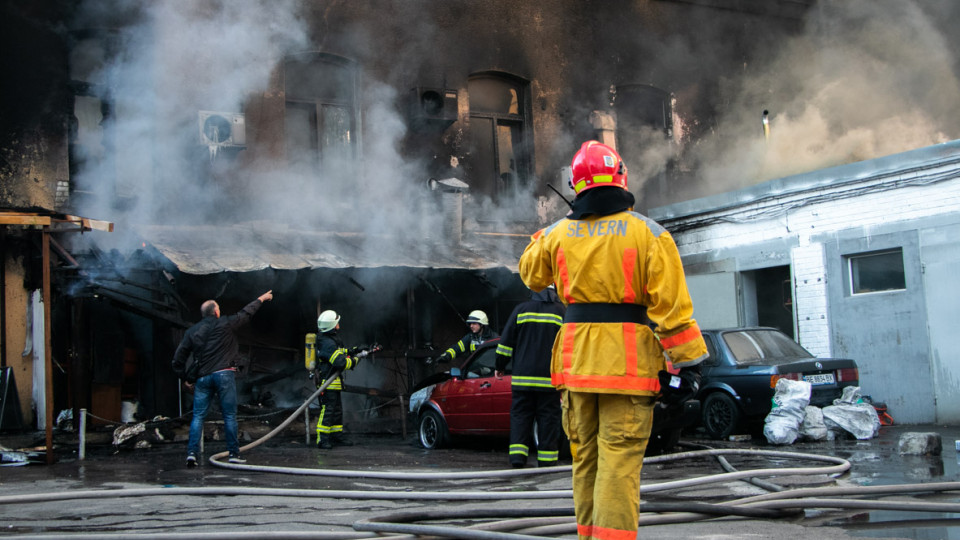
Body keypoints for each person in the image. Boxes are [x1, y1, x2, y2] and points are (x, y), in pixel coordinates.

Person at [518, 140, 707, 540]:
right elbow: (672, 308)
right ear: (621, 176)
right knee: (618, 466)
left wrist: (551, 229)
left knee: (584, 461)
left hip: (576, 367)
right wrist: (690, 365)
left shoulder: (558, 235)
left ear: (576, 185)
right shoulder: (649, 234)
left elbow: (530, 274)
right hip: (627, 370)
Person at [173, 290, 274, 467]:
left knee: (198, 417)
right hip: (224, 375)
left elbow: (178, 359)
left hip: (203, 378)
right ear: (216, 312)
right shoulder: (225, 324)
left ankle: (191, 454)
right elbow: (245, 313)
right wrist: (261, 299)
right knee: (229, 415)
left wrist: (185, 378)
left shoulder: (191, 331)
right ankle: (233, 454)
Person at [495, 285, 565, 468]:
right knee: (548, 419)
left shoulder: (521, 310)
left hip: (522, 380)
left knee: (520, 417)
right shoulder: (561, 312)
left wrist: (500, 365)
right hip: (549, 380)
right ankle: (547, 461)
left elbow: (505, 343)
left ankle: (518, 458)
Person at [306, 309, 365, 449]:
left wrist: (354, 350)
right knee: (328, 410)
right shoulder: (327, 343)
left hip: (333, 382)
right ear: (333, 325)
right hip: (327, 382)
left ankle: (336, 435)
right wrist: (356, 360)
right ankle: (323, 439)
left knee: (337, 410)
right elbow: (341, 363)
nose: (339, 323)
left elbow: (339, 352)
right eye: (337, 321)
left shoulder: (329, 340)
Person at [431, 310, 499, 364]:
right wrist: (446, 356)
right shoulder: (470, 337)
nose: (471, 326)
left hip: (491, 371)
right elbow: (457, 348)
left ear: (482, 324)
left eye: (474, 323)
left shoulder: (494, 337)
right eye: (470, 324)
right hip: (476, 368)